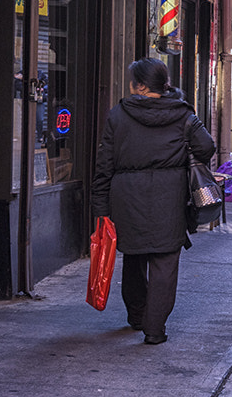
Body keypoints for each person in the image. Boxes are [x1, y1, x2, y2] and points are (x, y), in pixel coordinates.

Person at [91, 58, 215, 345]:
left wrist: (101, 209)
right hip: (169, 197)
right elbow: (206, 147)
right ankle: (154, 328)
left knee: (134, 256)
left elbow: (104, 165)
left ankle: (136, 315)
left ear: (141, 86)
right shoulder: (184, 115)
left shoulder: (118, 115)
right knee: (165, 262)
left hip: (126, 197)